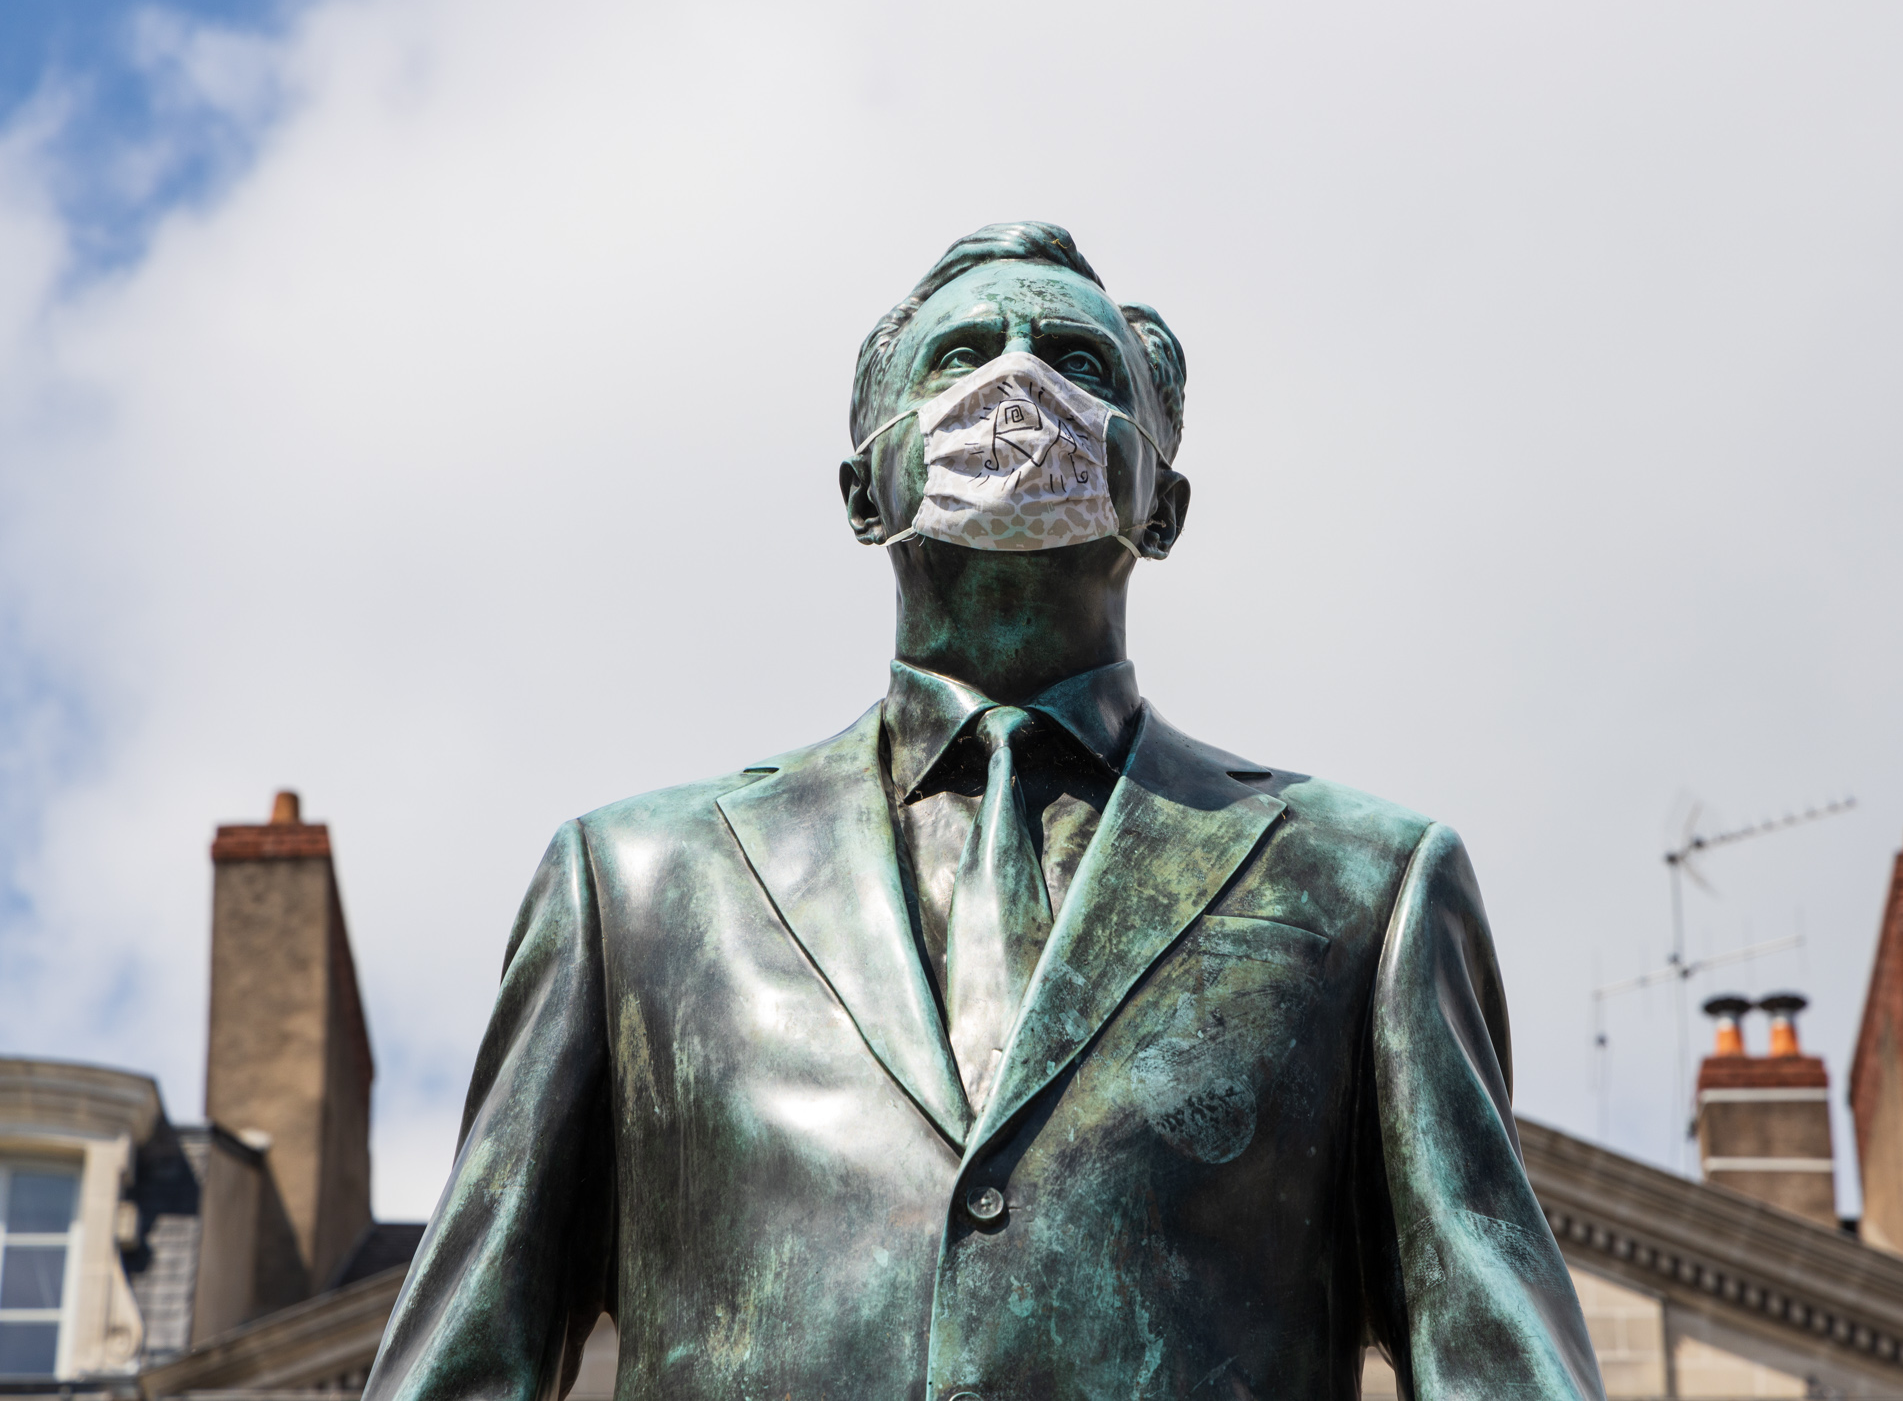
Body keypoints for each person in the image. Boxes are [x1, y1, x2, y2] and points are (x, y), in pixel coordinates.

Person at [363, 223, 1602, 1401]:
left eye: (1075, 363)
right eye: (960, 357)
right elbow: (466, 1353)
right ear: (864, 492)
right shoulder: (632, 884)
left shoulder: (1364, 885)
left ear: (1159, 507)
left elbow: (1494, 1350)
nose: (1015, 385)